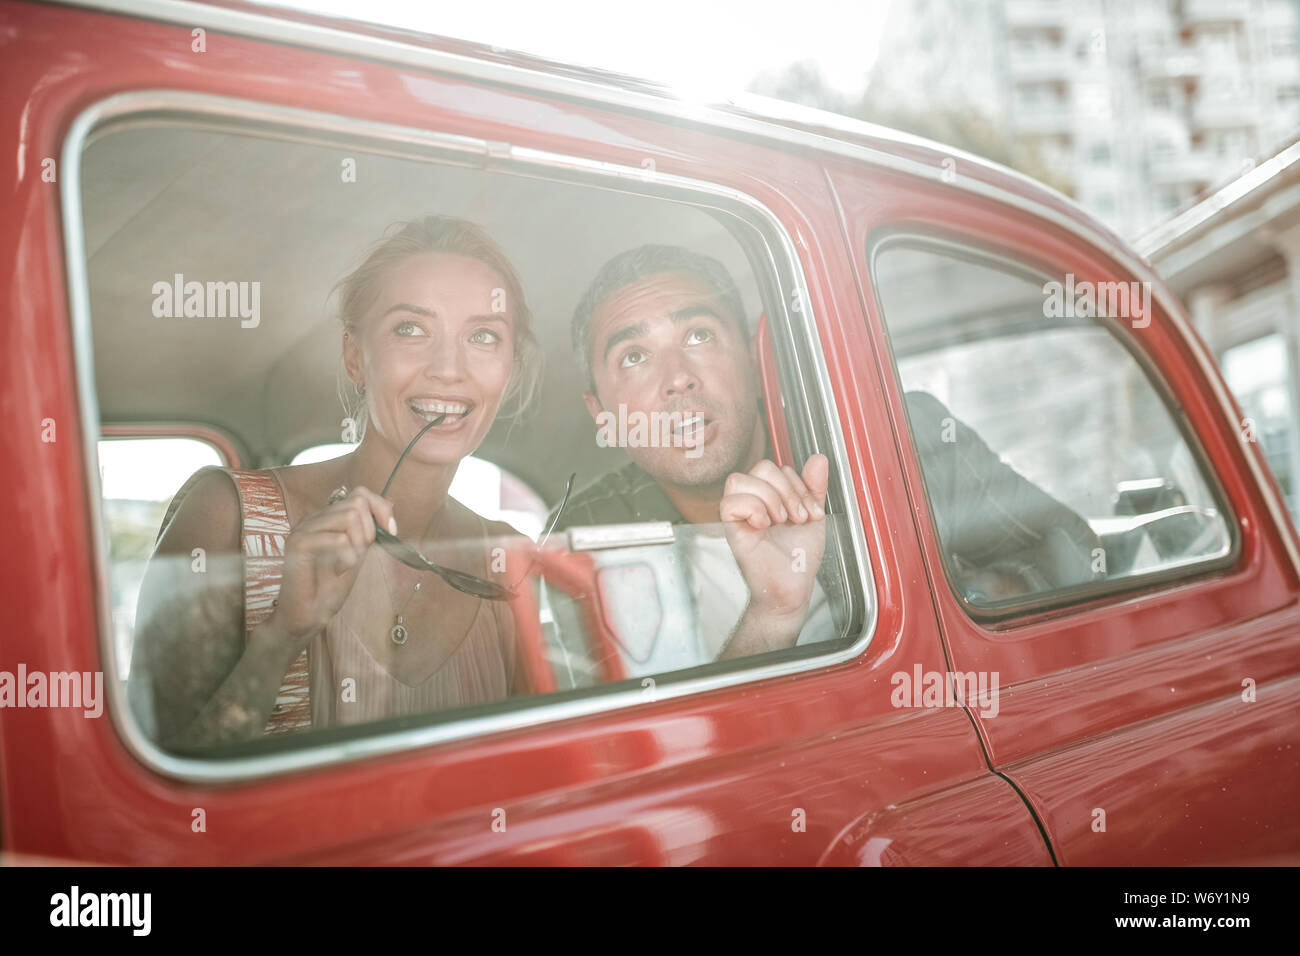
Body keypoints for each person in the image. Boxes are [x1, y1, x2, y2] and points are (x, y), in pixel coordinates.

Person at [550, 245, 1099, 674]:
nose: (677, 379)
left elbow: (1076, 556)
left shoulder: (902, 439)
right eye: (635, 356)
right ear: (602, 413)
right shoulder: (585, 538)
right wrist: (772, 614)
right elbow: (651, 757)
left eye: (699, 335)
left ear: (750, 354)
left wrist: (960, 598)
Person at [128, 215, 541, 750]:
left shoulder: (508, 560)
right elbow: (155, 792)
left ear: (508, 369)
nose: (448, 368)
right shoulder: (226, 515)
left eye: (483, 336)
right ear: (355, 357)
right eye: (411, 329)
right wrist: (282, 637)